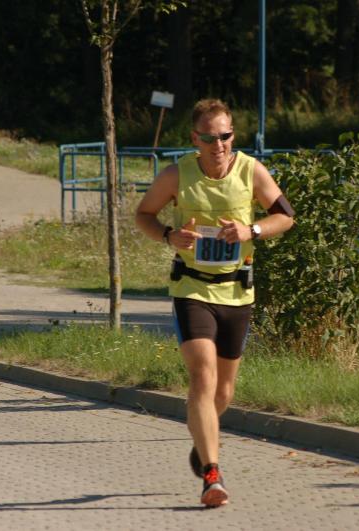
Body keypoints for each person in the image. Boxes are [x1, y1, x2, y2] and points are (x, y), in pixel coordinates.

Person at [135, 98, 295, 507]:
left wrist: (250, 230)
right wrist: (169, 236)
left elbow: (286, 216)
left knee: (223, 392)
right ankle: (212, 476)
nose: (218, 145)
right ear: (195, 139)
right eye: (209, 138)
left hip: (237, 292)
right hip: (192, 289)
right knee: (202, 377)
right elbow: (144, 215)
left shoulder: (251, 171)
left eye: (224, 136)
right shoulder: (177, 175)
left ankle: (201, 440)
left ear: (232, 136)